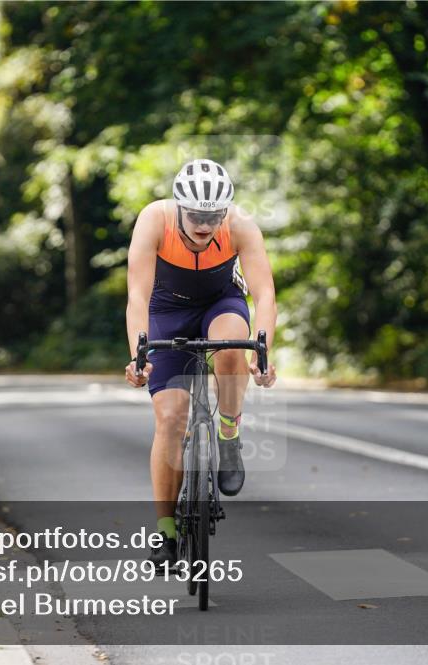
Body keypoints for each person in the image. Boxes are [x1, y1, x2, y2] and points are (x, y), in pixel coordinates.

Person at [124, 158, 277, 570]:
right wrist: (138, 355)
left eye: (213, 215)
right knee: (170, 417)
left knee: (230, 344)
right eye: (195, 215)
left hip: (219, 303)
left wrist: (262, 353)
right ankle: (166, 532)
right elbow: (137, 296)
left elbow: (263, 295)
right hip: (166, 313)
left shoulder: (241, 226)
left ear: (225, 210)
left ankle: (228, 434)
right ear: (178, 207)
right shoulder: (154, 220)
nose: (205, 224)